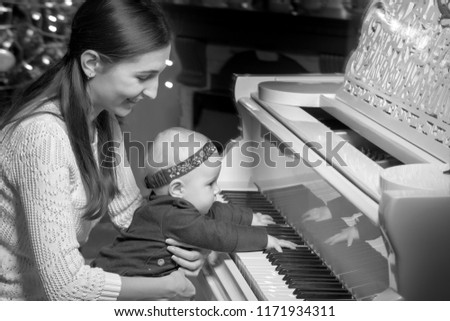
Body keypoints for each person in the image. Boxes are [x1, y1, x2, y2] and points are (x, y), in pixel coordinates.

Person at [0, 0, 207, 301]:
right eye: (143, 76)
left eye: (159, 74)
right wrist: (166, 286)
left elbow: (131, 216)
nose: (154, 91)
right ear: (92, 64)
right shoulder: (41, 136)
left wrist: (185, 247)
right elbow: (66, 288)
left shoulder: (103, 120)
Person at [92, 127, 298, 277]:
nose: (217, 189)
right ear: (178, 189)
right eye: (210, 184)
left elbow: (212, 212)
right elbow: (217, 234)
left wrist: (251, 217)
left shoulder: (168, 206)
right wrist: (265, 240)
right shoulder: (172, 216)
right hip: (116, 287)